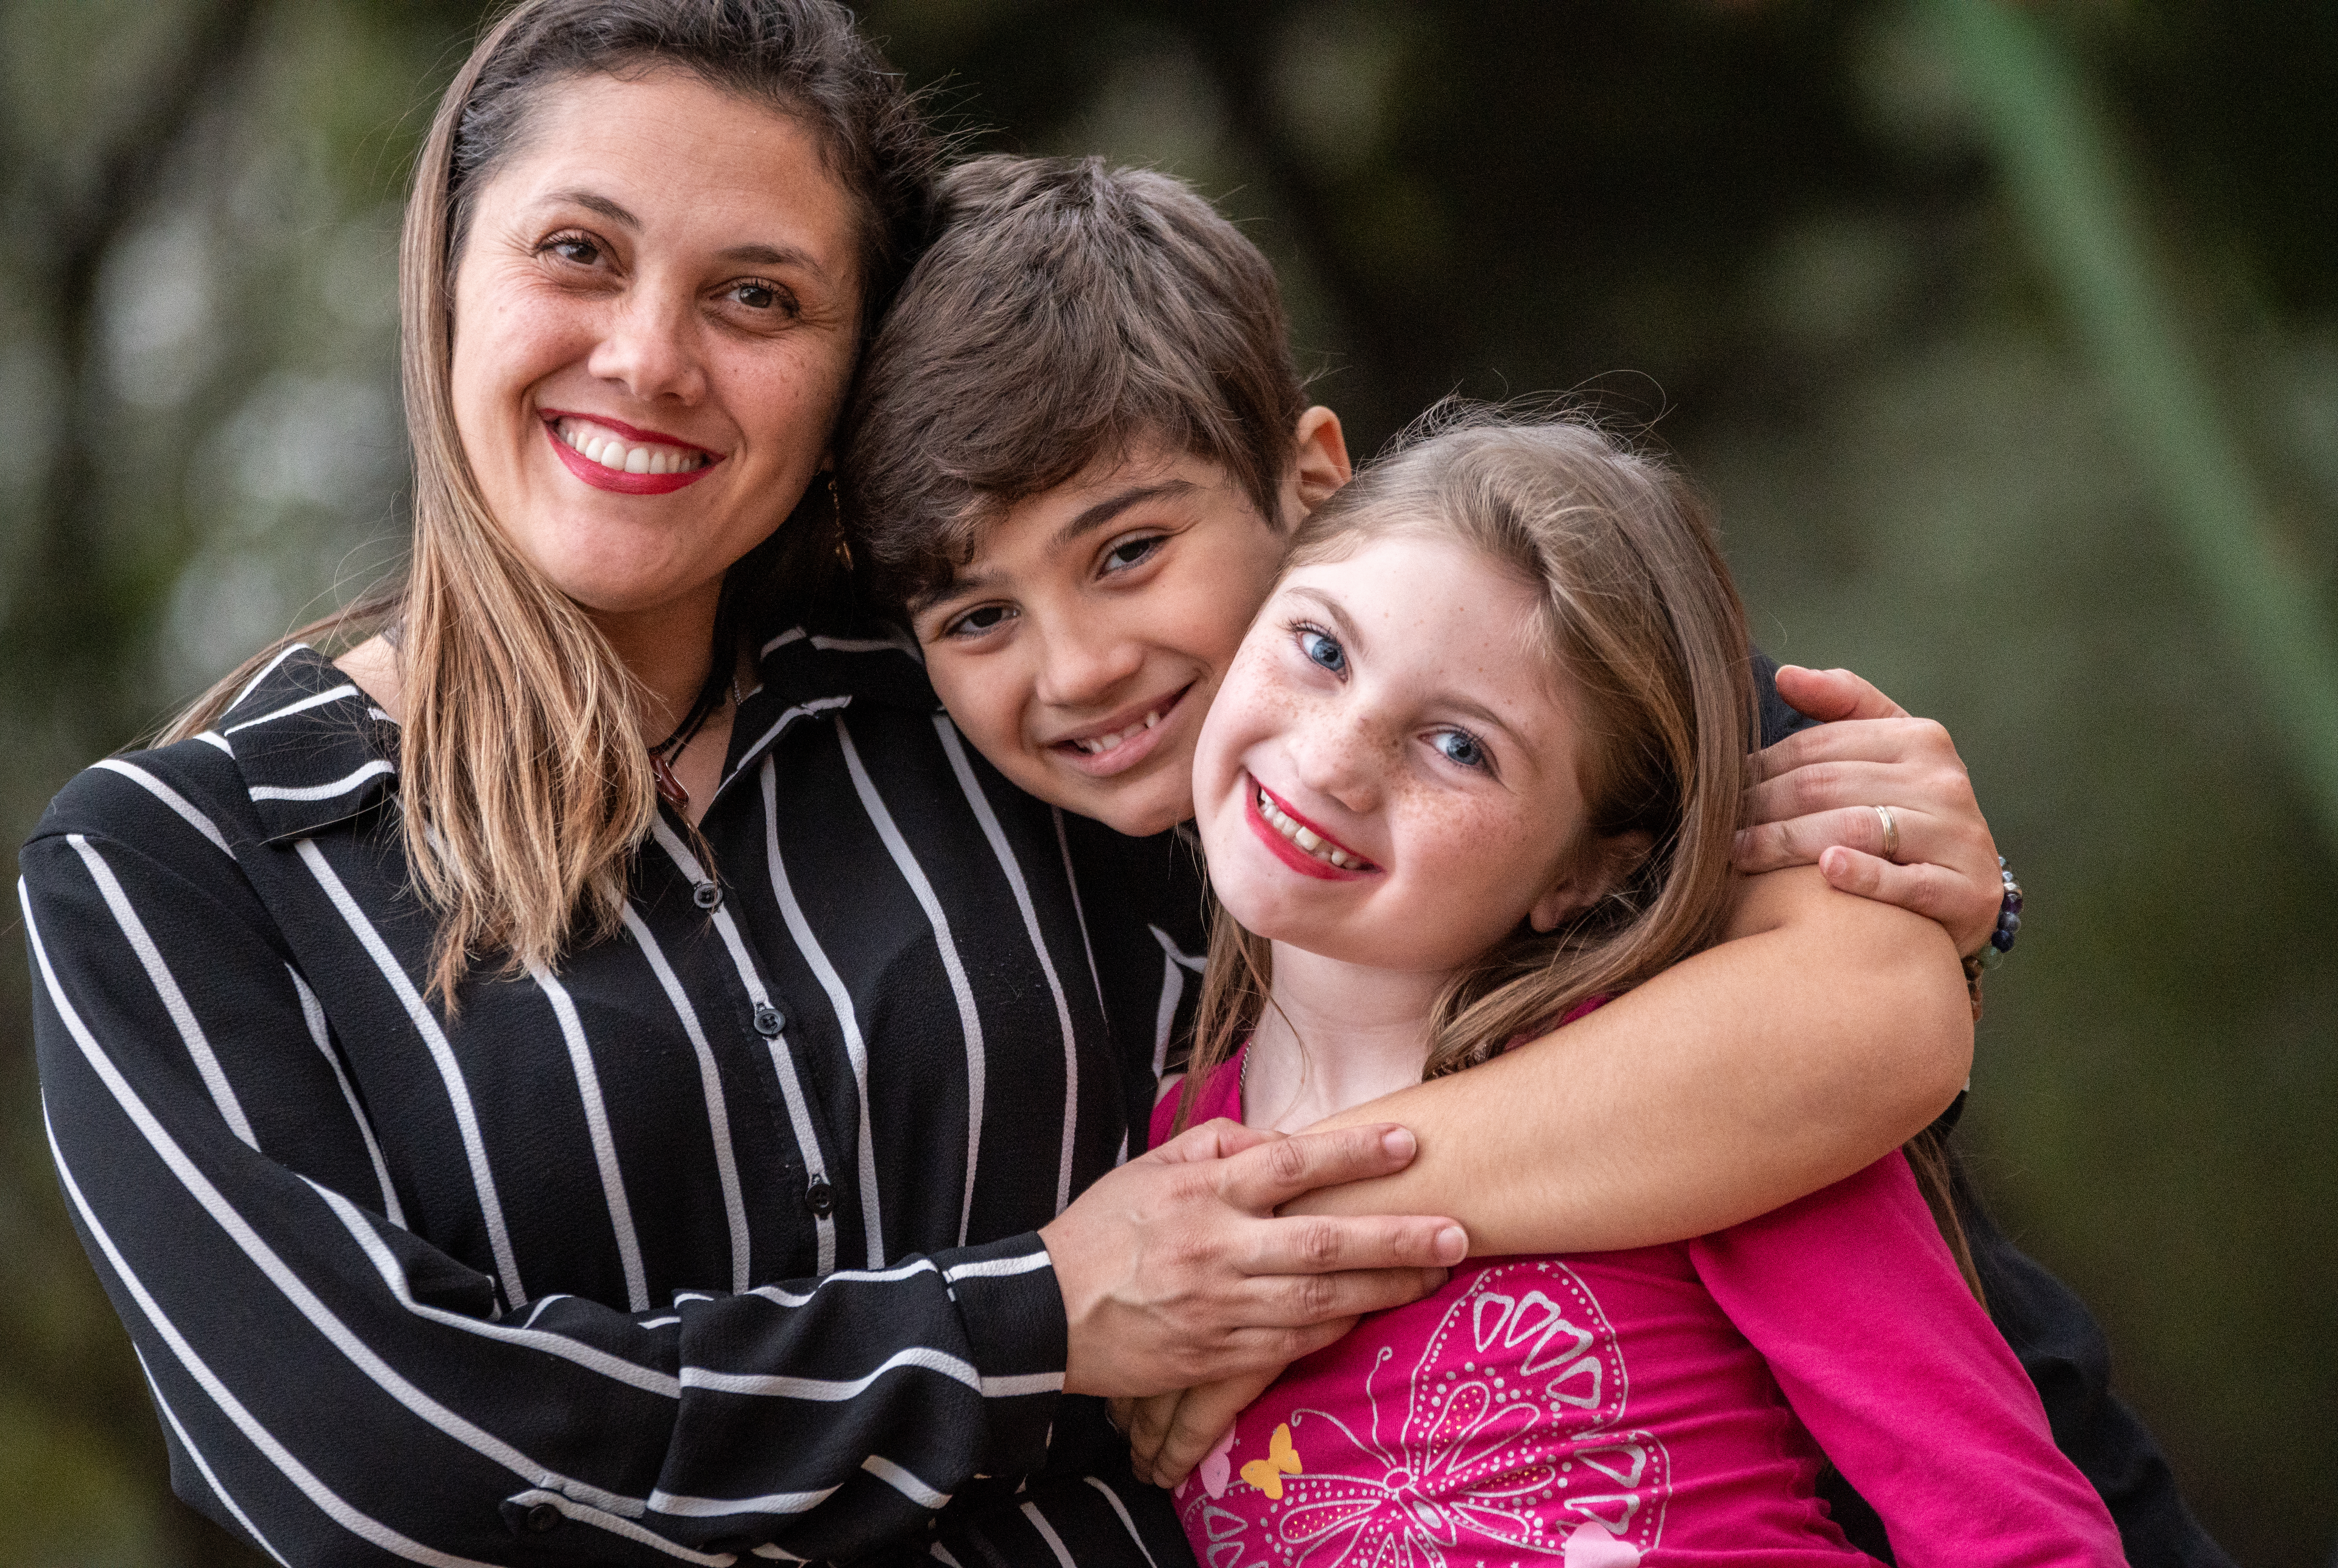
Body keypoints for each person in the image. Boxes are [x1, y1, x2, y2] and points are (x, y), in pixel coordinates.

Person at [19, 6, 1474, 1563]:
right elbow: (383, 1462)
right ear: (447, 272)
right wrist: (1035, 1320)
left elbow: (1519, 777)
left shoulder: (990, 691)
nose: (649, 357)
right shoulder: (178, 867)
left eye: (757, 297)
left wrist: (1744, 797)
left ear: (855, 370)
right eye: (579, 252)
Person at [843, 154, 2233, 1566]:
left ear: (1314, 481)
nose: (1079, 666)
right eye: (975, 617)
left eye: (1131, 551)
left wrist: (1279, 1238)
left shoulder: (1562, 652)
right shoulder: (1124, 1025)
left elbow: (1872, 1020)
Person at [1153, 406, 2124, 1565]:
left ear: (1586, 868)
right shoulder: (1163, 1185)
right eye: (1321, 648)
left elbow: (2014, 1530)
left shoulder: (1715, 1097)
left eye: (1460, 747)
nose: (1333, 759)